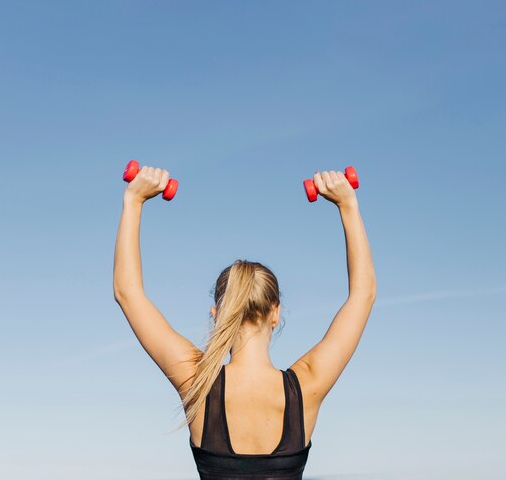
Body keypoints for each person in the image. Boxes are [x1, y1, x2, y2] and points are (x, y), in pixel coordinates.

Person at [113, 166, 376, 480]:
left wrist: (134, 200)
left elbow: (127, 292)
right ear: (275, 313)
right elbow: (363, 295)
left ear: (218, 315)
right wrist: (348, 205)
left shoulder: (197, 382)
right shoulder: (307, 385)